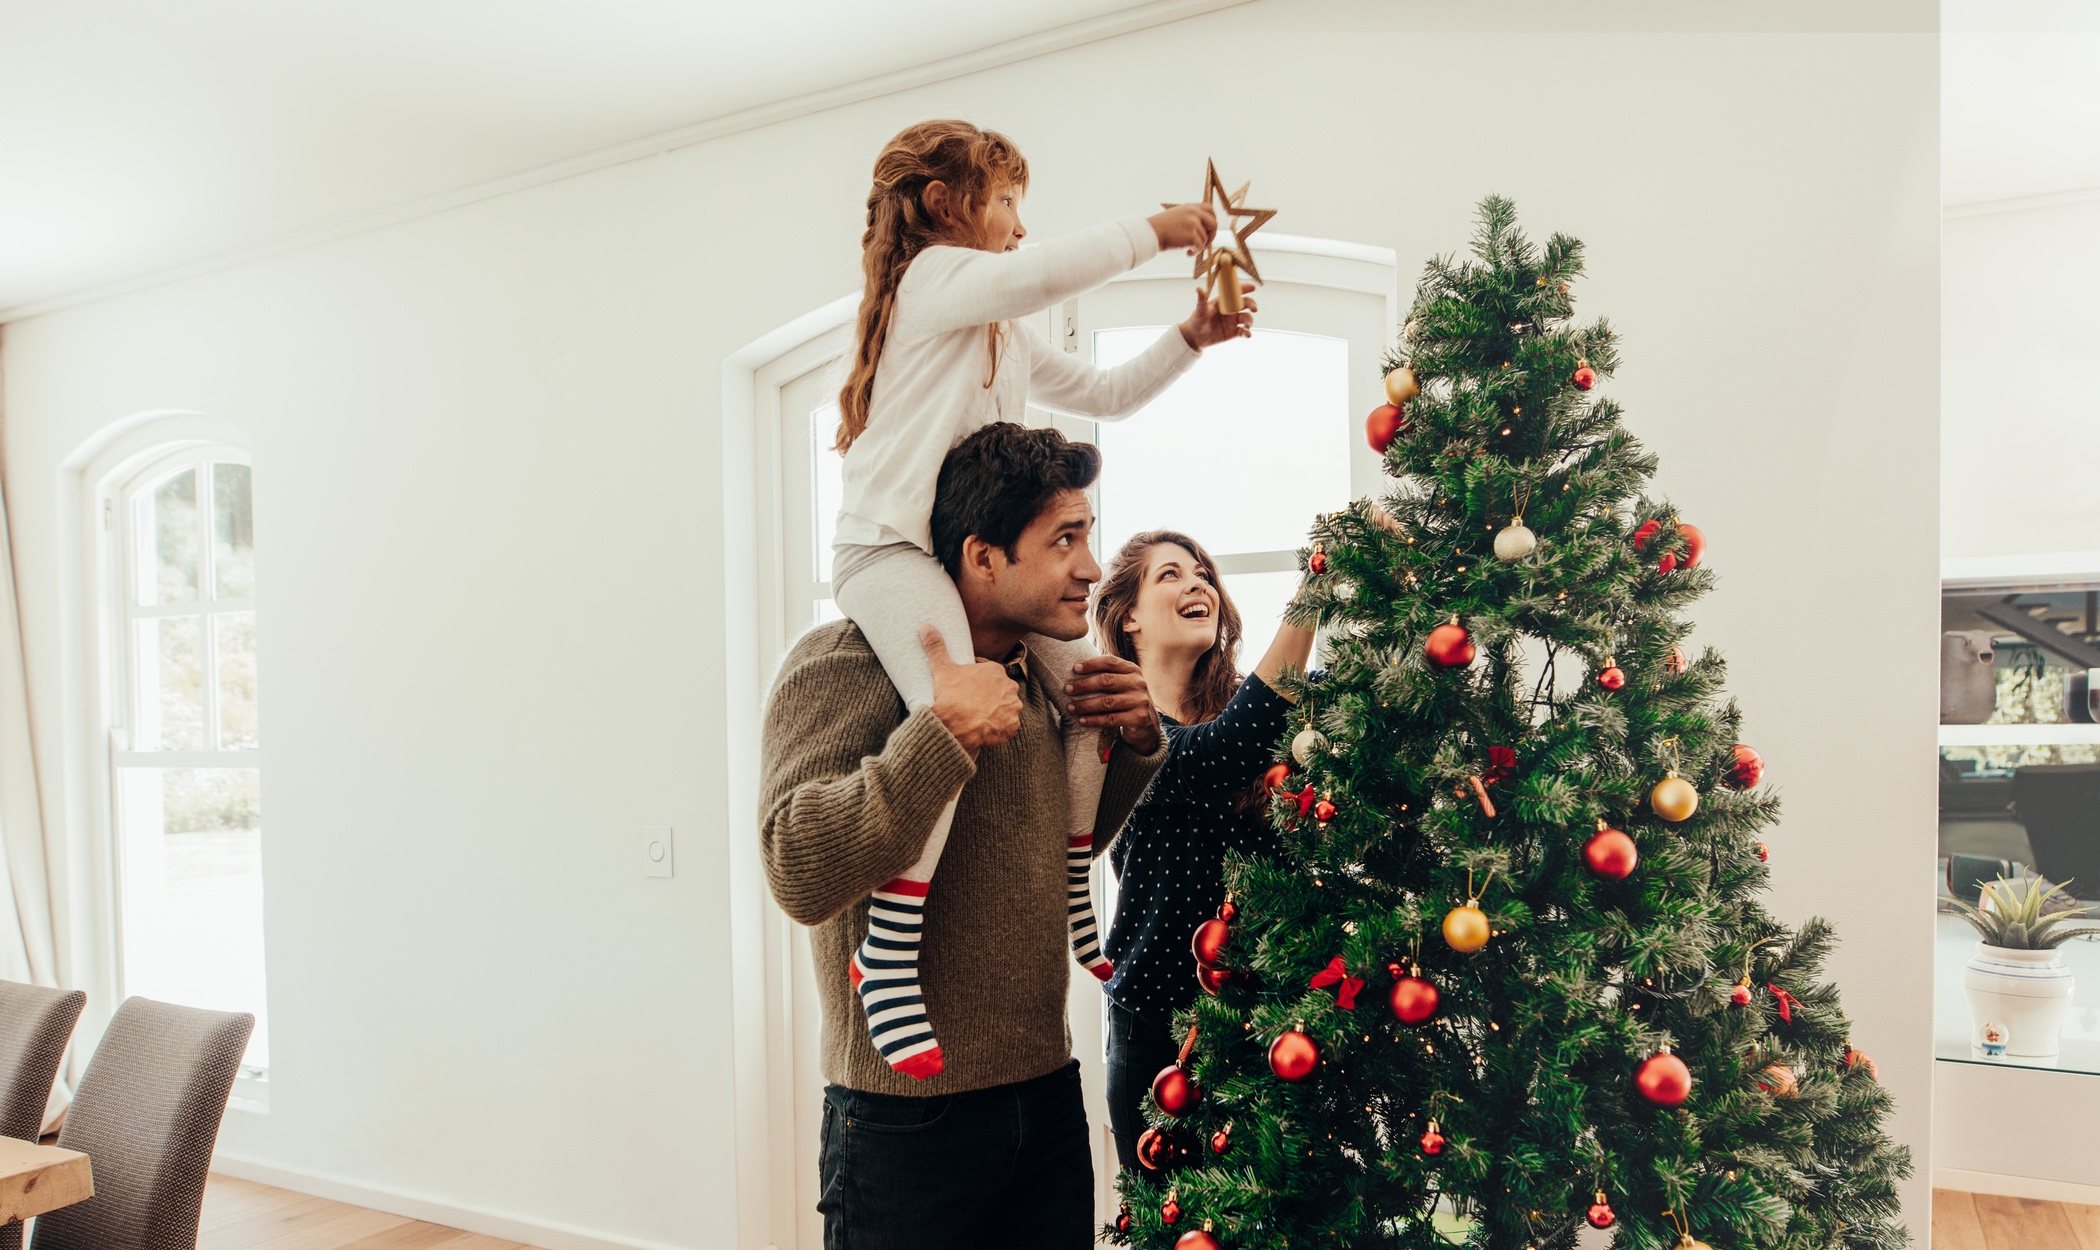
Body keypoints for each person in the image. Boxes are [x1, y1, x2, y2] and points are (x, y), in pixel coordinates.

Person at [829, 118, 1254, 1077]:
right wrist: (1160, 227)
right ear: (947, 207)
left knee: (1095, 693)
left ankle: (1074, 890)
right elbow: (1036, 274)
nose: (1022, 227)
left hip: (956, 558)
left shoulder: (1003, 335)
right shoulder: (931, 282)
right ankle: (888, 948)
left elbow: (1104, 393)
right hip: (890, 553)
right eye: (1009, 203)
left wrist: (1191, 335)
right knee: (962, 708)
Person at [761, 422, 1166, 1248]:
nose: (1091, 567)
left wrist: (1133, 744)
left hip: (1047, 1097)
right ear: (983, 557)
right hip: (901, 1124)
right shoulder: (844, 662)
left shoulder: (1045, 676)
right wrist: (938, 735)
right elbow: (797, 868)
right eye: (1065, 540)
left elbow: (1055, 857)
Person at [1089, 529, 1316, 1171]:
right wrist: (1315, 588)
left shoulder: (1264, 713)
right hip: (1160, 1030)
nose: (1198, 584)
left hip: (1275, 1016)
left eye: (1204, 575)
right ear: (1128, 616)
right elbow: (1216, 754)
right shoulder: (1120, 725)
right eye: (1170, 575)